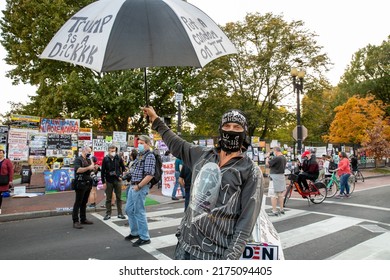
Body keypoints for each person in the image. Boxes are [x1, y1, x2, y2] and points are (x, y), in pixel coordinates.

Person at [143, 107, 263, 260]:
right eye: (227, 126)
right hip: (184, 245)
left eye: (237, 127)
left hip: (215, 255)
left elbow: (247, 220)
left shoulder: (251, 171)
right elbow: (176, 143)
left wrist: (230, 259)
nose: (231, 130)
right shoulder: (202, 155)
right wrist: (155, 119)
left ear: (244, 133)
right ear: (220, 129)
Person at [124, 135, 156, 247]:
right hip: (133, 186)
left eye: (142, 143)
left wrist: (139, 186)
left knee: (139, 211)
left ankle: (144, 237)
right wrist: (127, 176)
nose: (140, 145)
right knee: (128, 209)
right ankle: (135, 232)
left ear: (148, 143)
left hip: (139, 187)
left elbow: (150, 175)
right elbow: (134, 170)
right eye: (139, 143)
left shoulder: (150, 156)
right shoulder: (140, 155)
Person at [101, 145, 126, 220]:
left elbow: (123, 167)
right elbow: (103, 171)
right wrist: (103, 182)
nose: (113, 152)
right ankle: (108, 214)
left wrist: (121, 176)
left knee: (119, 197)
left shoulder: (118, 158)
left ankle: (120, 213)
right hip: (109, 180)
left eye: (114, 151)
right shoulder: (105, 159)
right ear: (108, 151)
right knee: (108, 198)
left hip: (117, 179)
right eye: (111, 151)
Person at [72, 146, 95, 229]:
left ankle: (83, 218)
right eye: (89, 151)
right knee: (78, 202)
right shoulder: (78, 159)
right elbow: (78, 170)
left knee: (84, 202)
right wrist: (89, 167)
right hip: (80, 183)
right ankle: (75, 220)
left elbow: (90, 171)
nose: (89, 153)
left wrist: (94, 168)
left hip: (87, 183)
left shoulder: (88, 160)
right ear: (84, 151)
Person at [266, 147, 287, 216]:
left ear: (276, 151)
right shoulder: (284, 158)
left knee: (273, 195)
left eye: (273, 151)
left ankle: (274, 210)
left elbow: (267, 164)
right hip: (281, 177)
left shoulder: (277, 158)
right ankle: (281, 209)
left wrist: (267, 157)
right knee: (281, 194)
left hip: (274, 177)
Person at [0, 149, 14, 215]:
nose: (0, 154)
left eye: (1, 153)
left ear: (3, 154)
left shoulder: (7, 161)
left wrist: (10, 180)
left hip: (3, 180)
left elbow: (11, 171)